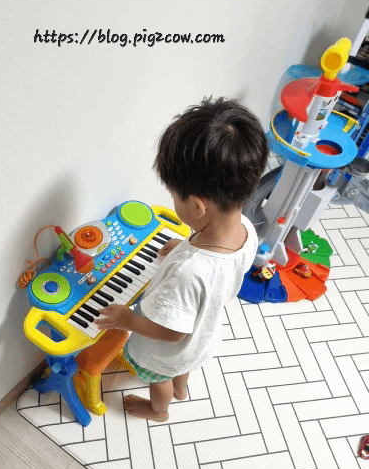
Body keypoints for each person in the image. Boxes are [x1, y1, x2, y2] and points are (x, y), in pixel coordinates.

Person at [95, 97, 268, 422]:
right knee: (182, 366)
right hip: (203, 337)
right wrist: (187, 246)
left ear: (198, 207)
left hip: (166, 350)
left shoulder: (188, 273)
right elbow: (217, 267)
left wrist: (128, 321)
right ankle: (182, 388)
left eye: (174, 196)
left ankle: (159, 409)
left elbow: (172, 333)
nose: (172, 200)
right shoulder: (245, 229)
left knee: (158, 378)